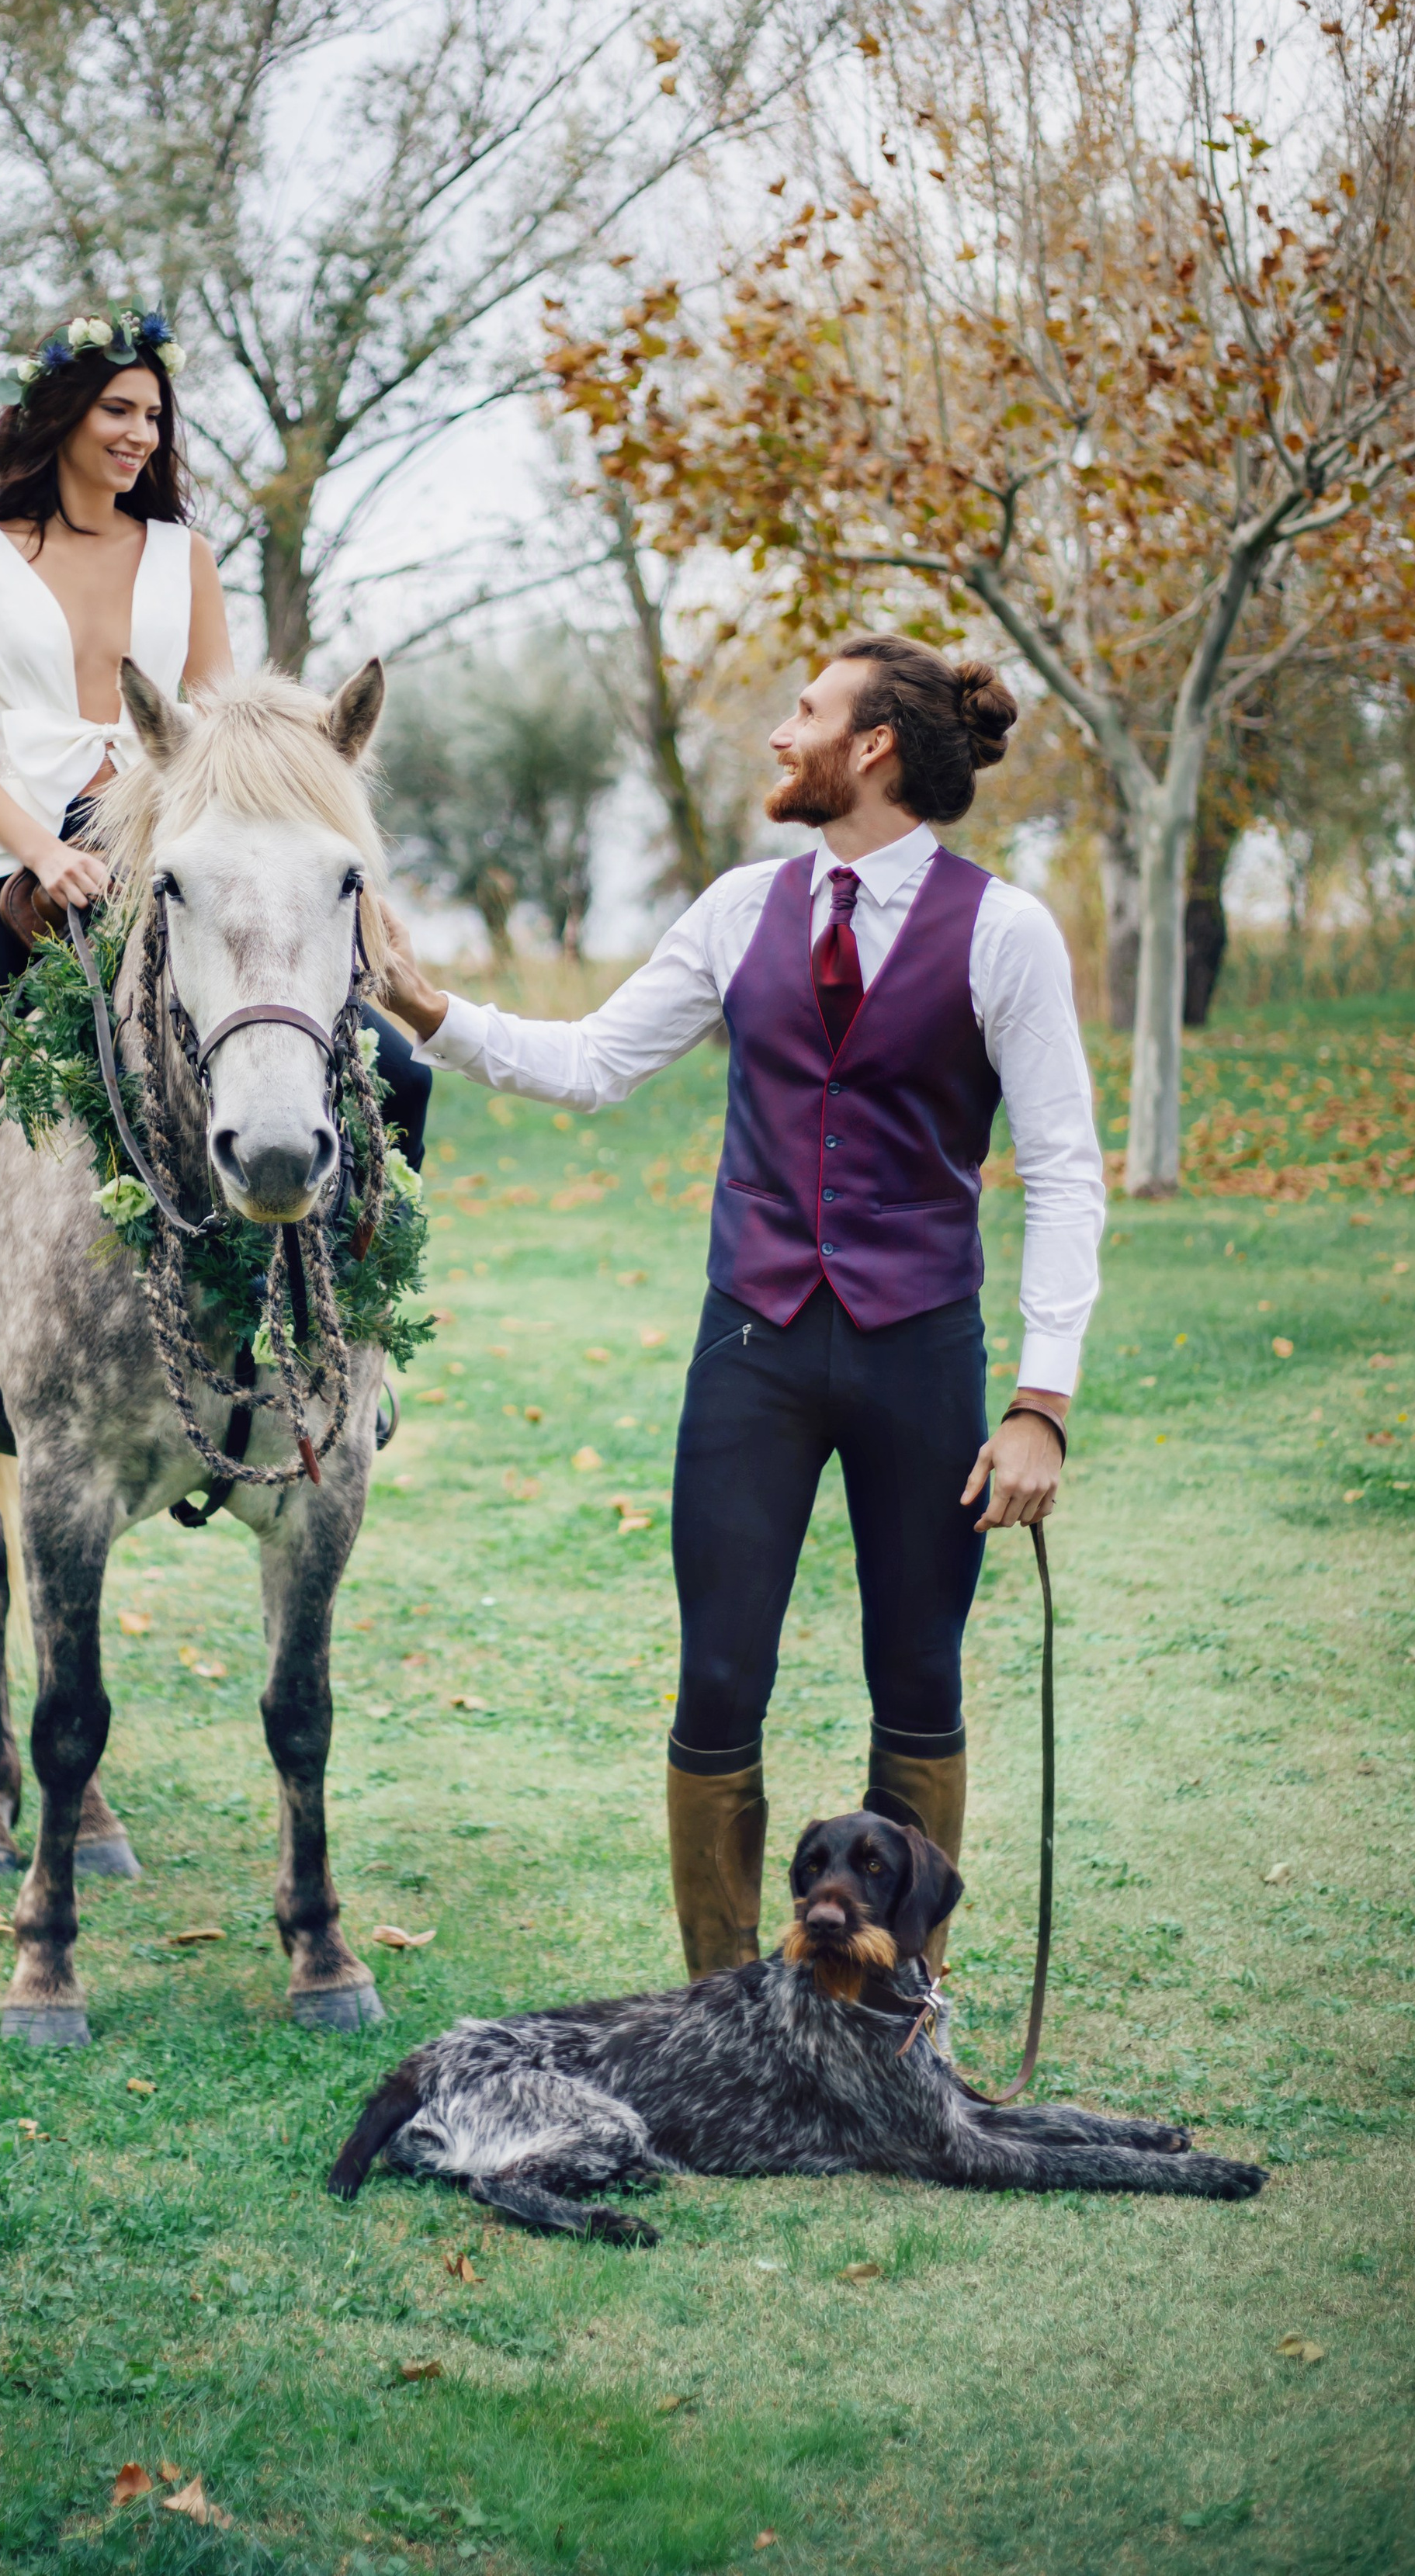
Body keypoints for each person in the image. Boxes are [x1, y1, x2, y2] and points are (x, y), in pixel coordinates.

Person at [377, 635, 1105, 1985]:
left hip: (920, 1352)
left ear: (872, 747)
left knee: (920, 1679)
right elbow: (596, 1061)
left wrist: (1040, 1404)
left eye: (806, 712)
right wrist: (432, 1012)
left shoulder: (1004, 932)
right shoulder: (736, 910)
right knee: (718, 1679)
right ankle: (725, 2006)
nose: (782, 733)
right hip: (751, 1351)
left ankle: (896, 2001)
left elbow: (1065, 1171)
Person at [0, 304, 428, 1479]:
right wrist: (42, 851)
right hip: (20, 859)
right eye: (118, 410)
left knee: (396, 1068)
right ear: (59, 413)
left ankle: (352, 1341)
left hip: (170, 855)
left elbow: (223, 735)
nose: (140, 436)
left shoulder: (183, 557)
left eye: (154, 417)